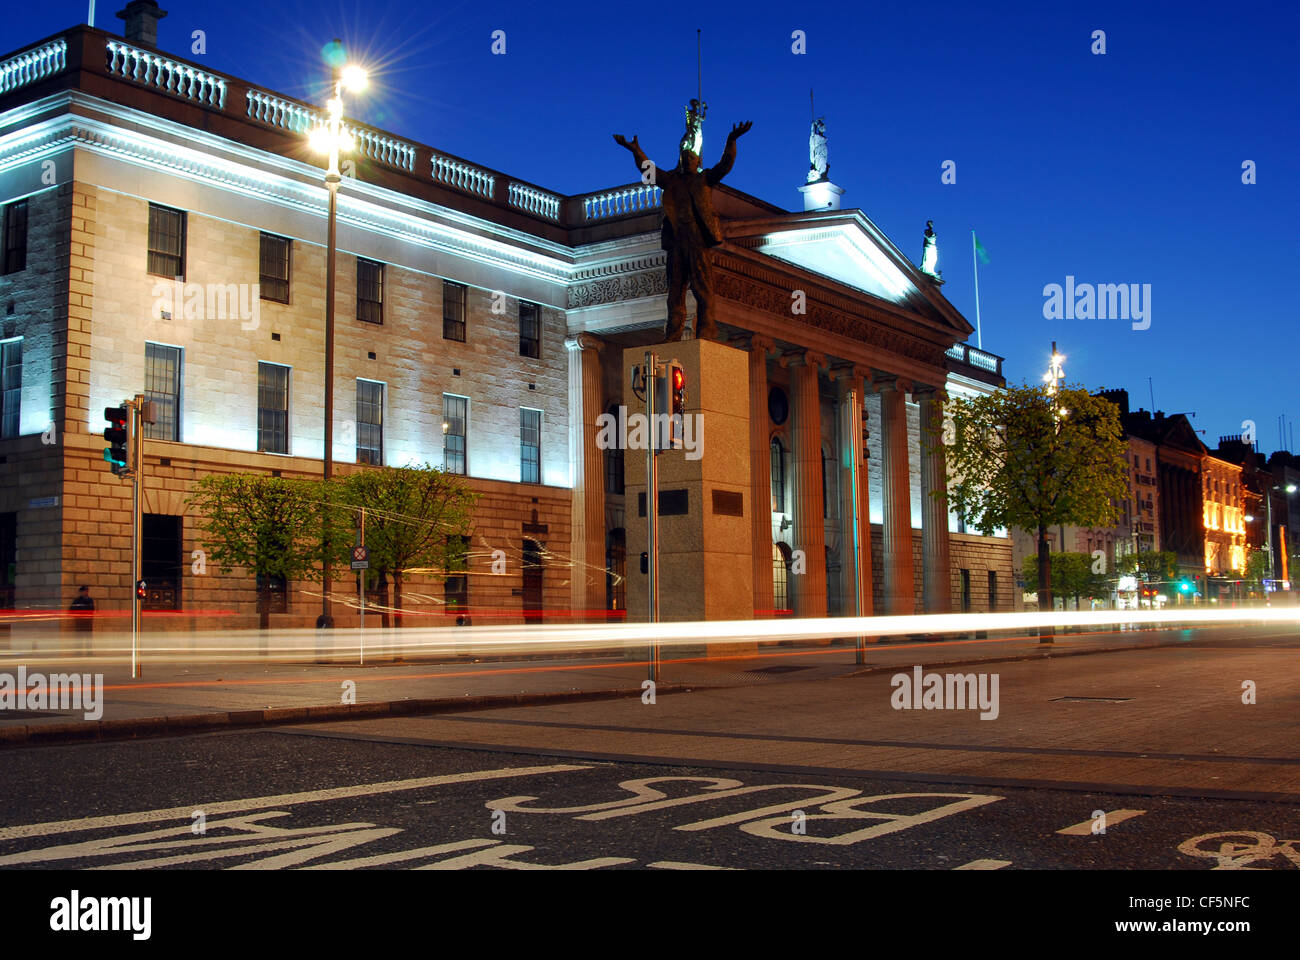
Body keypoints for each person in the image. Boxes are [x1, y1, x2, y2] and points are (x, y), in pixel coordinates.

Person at [614, 112, 752, 342]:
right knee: (675, 292)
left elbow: (725, 164)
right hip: (678, 241)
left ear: (698, 163)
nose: (688, 160)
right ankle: (673, 334)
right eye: (684, 158)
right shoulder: (672, 181)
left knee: (703, 290)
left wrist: (732, 139)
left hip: (698, 239)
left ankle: (706, 333)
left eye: (692, 158)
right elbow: (648, 170)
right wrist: (635, 150)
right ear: (680, 160)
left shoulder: (705, 179)